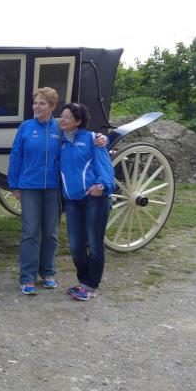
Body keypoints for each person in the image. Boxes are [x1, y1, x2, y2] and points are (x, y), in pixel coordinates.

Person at [8, 88, 108, 295]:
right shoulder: (26, 127)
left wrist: (101, 139)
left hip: (53, 188)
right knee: (30, 232)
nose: (37, 106)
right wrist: (14, 185)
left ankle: (48, 273)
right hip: (29, 186)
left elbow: (80, 137)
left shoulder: (60, 127)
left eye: (42, 103)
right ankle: (27, 277)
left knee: (51, 233)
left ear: (52, 107)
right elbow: (16, 155)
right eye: (35, 102)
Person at [58, 102, 115, 301]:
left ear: (78, 121)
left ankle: (90, 285)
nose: (62, 120)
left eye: (67, 117)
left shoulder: (92, 139)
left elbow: (105, 165)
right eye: (61, 116)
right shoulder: (61, 141)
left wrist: (102, 186)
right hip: (73, 201)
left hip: (95, 199)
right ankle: (83, 282)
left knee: (94, 244)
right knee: (76, 246)